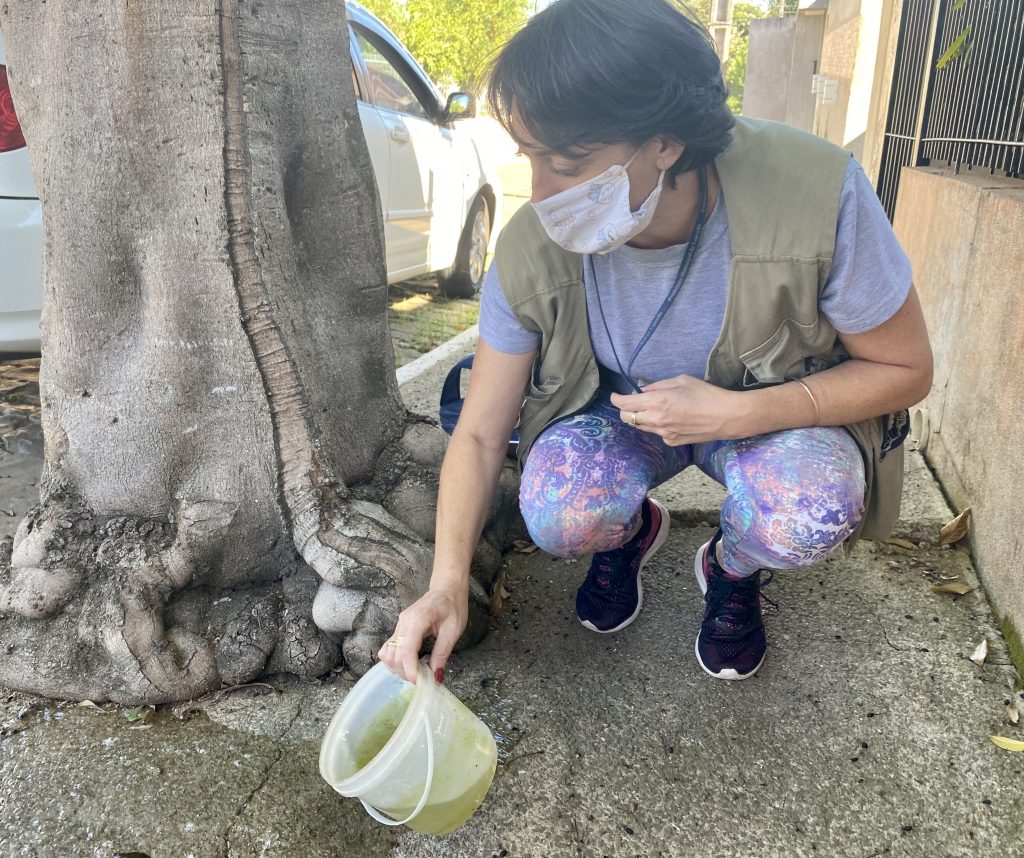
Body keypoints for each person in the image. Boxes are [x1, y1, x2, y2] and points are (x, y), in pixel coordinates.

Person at [378, 0, 932, 685]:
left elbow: (906, 368)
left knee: (808, 511)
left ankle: (732, 566)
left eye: (568, 162)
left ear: (665, 143)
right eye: (530, 157)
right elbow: (482, 432)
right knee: (559, 511)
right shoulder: (530, 248)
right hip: (626, 416)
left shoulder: (816, 194)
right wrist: (447, 584)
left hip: (770, 414)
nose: (540, 194)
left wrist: (740, 413)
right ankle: (631, 529)